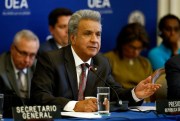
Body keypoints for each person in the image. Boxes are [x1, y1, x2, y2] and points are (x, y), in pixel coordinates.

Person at [31, 9, 161, 112]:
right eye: (88, 33)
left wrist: (135, 93)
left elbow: (115, 94)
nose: (94, 40)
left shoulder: (102, 62)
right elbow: (39, 97)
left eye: (98, 34)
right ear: (73, 38)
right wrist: (75, 105)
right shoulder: (51, 59)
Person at [0, 29, 39, 117]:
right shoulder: (1, 68)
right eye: (23, 53)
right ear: (12, 48)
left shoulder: (39, 67)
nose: (27, 60)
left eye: (32, 55)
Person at [104, 23, 152, 89]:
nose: (136, 52)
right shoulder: (107, 59)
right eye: (132, 47)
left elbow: (149, 88)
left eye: (140, 48)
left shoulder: (145, 63)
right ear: (123, 43)